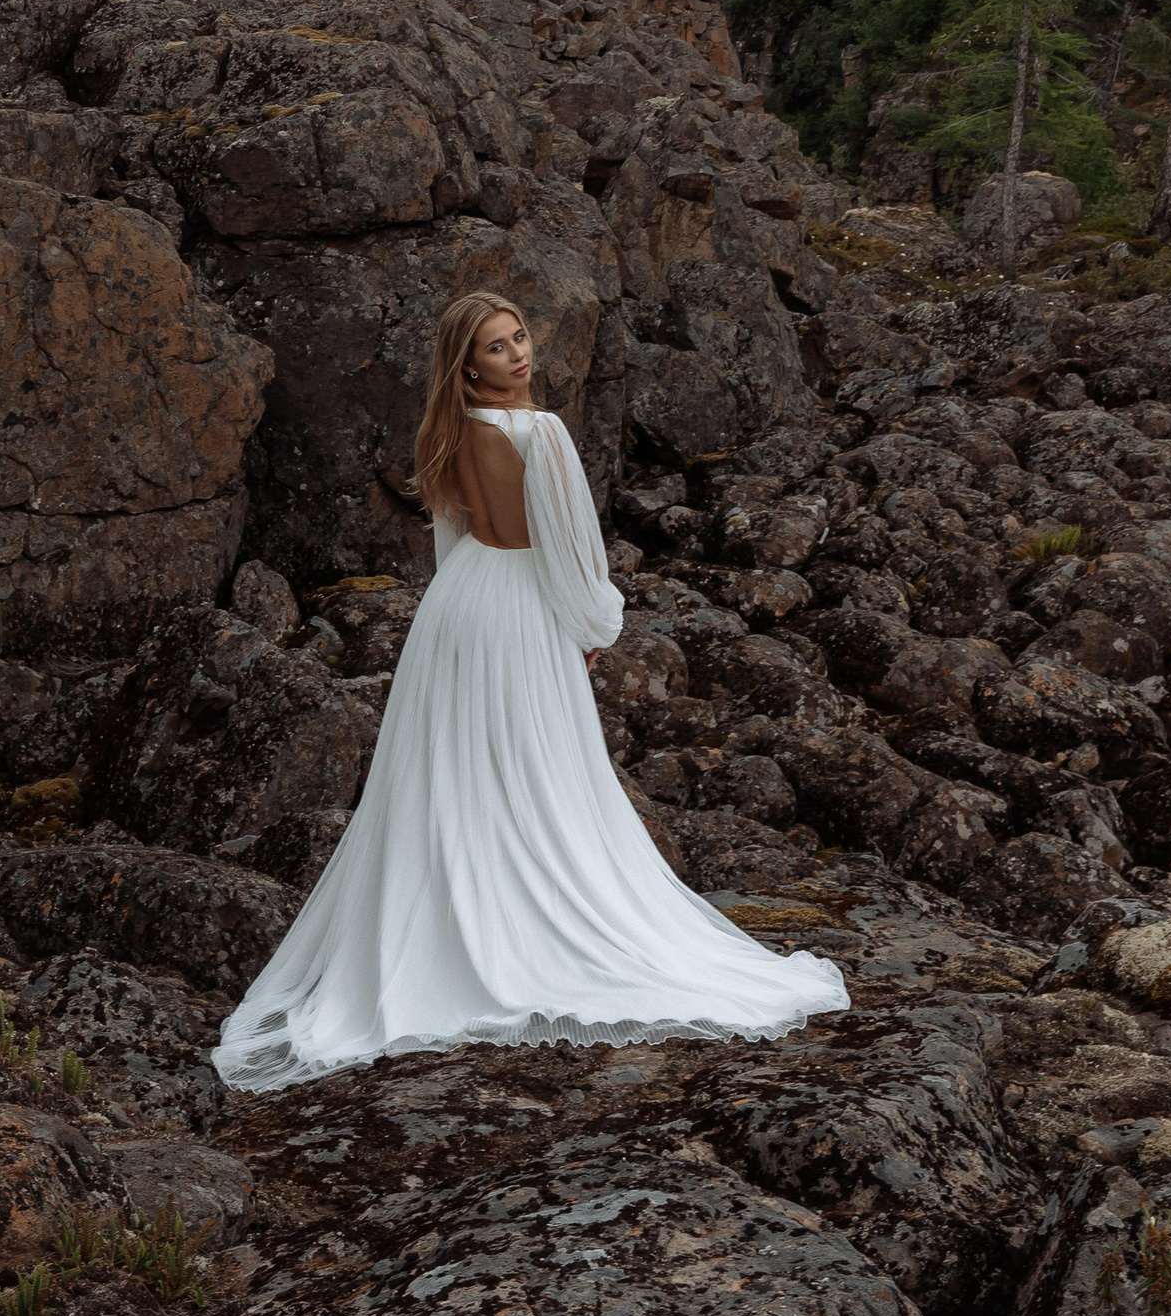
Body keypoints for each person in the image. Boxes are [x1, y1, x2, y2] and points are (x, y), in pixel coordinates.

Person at [211, 290, 849, 1092]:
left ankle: (452, 923)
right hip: (514, 611)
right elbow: (554, 545)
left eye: (518, 337)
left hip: (455, 611)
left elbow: (465, 537)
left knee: (453, 776)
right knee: (535, 773)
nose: (517, 353)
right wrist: (589, 626)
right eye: (496, 347)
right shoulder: (539, 431)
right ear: (468, 364)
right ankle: (513, 926)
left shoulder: (449, 430)